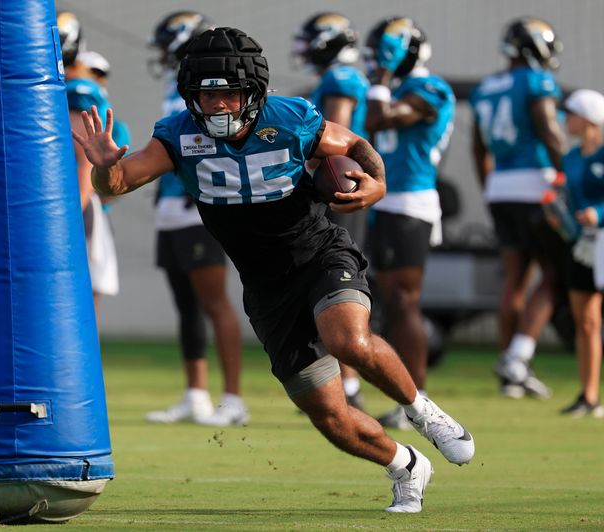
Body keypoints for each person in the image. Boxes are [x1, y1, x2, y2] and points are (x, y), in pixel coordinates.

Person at [73, 27, 474, 512]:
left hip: (320, 254)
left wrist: (378, 183)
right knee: (329, 416)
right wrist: (102, 165)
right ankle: (406, 465)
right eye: (207, 94)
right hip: (265, 287)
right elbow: (118, 182)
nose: (217, 105)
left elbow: (355, 142)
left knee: (348, 339)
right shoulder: (178, 134)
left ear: (252, 93)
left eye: (228, 94)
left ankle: (422, 411)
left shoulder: (289, 118)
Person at [143, 12, 248, 427]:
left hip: (198, 204)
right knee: (186, 305)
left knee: (214, 301)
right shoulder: (178, 86)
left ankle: (235, 399)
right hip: (170, 205)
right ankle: (195, 394)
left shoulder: (212, 88)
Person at [363, 17, 455, 429]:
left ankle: (418, 400)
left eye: (385, 53)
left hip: (412, 203)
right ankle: (407, 398)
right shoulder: (395, 89)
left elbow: (383, 119)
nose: (378, 62)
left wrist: (382, 76)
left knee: (404, 301)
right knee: (387, 302)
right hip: (385, 203)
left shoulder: (429, 89)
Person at [470, 17, 566, 399]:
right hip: (536, 184)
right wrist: (568, 177)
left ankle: (511, 373)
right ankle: (518, 356)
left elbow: (478, 148)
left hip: (500, 187)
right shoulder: (536, 81)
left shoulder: (486, 87)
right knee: (554, 275)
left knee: (515, 279)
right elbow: (549, 131)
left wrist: (491, 185)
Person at [293, 12, 370, 410]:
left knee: (332, 283)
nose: (305, 49)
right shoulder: (334, 78)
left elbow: (335, 135)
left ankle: (351, 385)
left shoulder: (340, 78)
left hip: (337, 189)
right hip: (334, 189)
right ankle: (346, 383)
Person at [58, 12, 119, 318]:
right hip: (72, 199)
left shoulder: (77, 91)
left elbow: (84, 163)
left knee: (75, 298)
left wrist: (64, 214)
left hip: (74, 202)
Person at [548, 89, 604, 417]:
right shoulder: (570, 157)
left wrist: (599, 212)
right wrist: (560, 217)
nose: (565, 120)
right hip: (583, 245)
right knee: (586, 321)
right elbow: (569, 199)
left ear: (589, 119)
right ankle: (589, 395)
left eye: (570, 114)